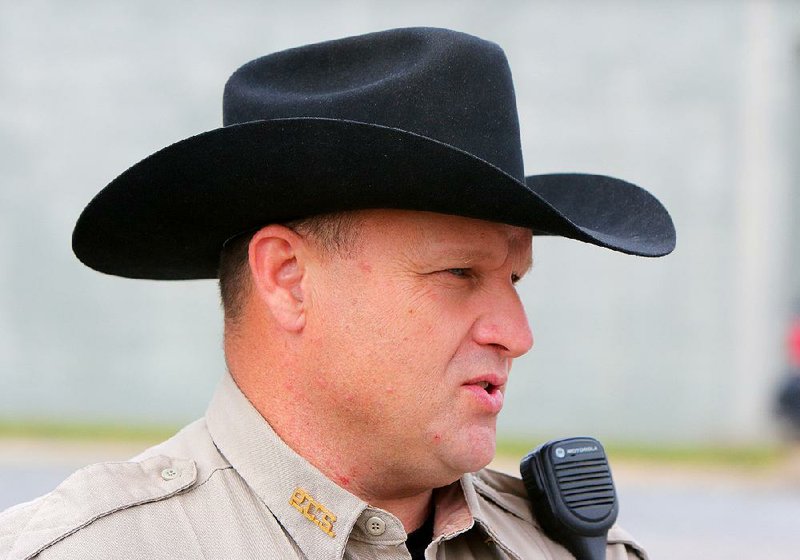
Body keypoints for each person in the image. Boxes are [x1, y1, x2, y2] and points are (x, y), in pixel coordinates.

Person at [0, 27, 675, 559]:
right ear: (288, 280)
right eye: (460, 274)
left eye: (514, 280)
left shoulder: (574, 551)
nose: (516, 334)